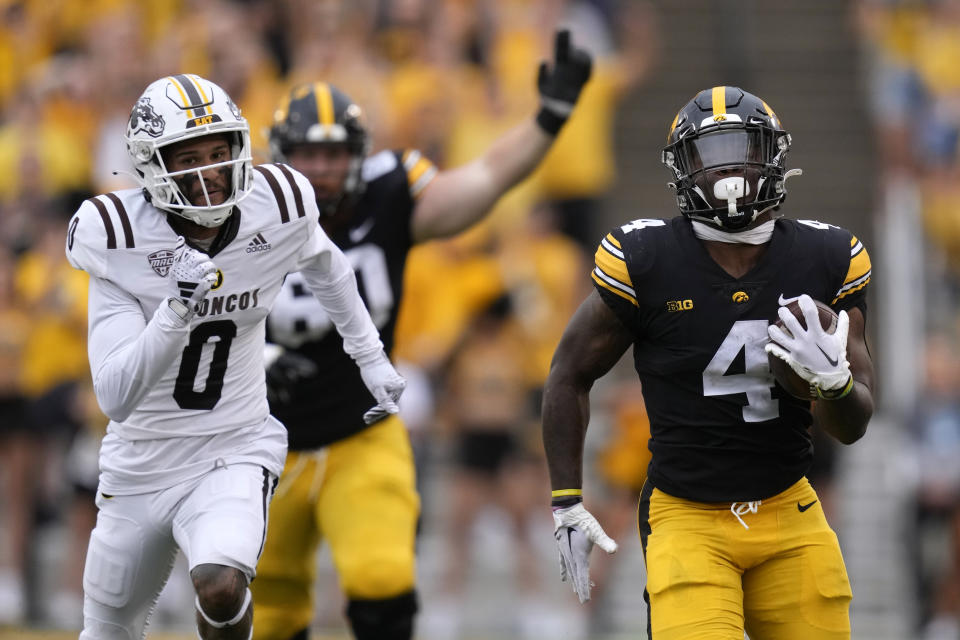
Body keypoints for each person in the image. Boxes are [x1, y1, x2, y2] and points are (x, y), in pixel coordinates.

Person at [251, 29, 592, 640]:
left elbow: (485, 178)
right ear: (281, 155)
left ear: (358, 155)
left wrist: (549, 118)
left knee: (383, 583)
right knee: (270, 612)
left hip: (362, 434)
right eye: (309, 154)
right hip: (262, 444)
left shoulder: (389, 193)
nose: (322, 170)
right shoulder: (245, 210)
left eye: (334, 154)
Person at [64, 73, 405, 640]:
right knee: (108, 630)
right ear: (151, 164)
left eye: (219, 153)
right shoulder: (116, 237)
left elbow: (327, 264)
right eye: (188, 157)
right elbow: (116, 395)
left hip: (233, 444)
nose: (208, 174)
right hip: (141, 457)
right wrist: (175, 312)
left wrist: (370, 358)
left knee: (222, 583)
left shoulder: (279, 203)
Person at [541, 86, 876, 639]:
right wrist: (566, 501)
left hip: (789, 506)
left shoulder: (827, 257)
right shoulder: (646, 258)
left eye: (742, 149)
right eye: (710, 153)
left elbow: (854, 425)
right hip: (688, 515)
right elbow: (568, 373)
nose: (728, 170)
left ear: (773, 157)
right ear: (683, 168)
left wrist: (834, 384)